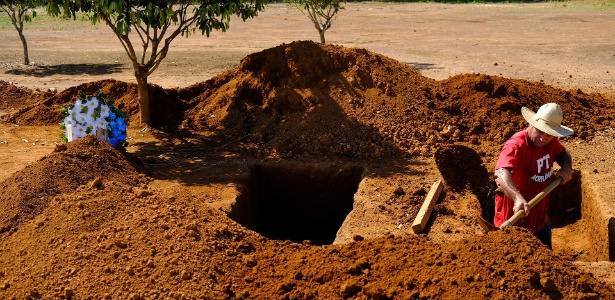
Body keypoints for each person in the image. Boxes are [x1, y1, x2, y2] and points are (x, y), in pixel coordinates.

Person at [493, 103, 573, 249]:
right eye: (540, 132)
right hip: (513, 222)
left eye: (548, 134)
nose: (543, 138)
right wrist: (517, 197)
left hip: (540, 222)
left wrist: (567, 167)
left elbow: (563, 154)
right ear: (531, 124)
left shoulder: (551, 142)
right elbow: (500, 171)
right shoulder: (516, 145)